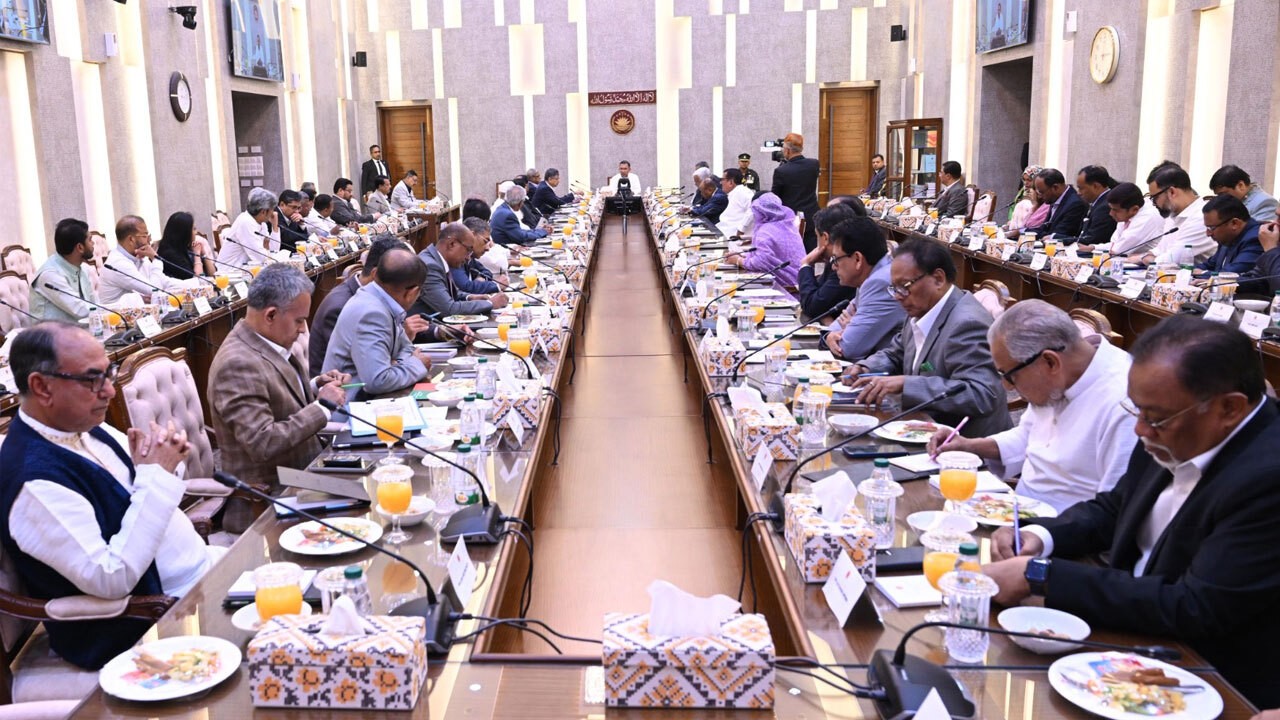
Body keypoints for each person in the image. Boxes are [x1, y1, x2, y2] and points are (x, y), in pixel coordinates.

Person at [982, 315, 1280, 709]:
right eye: (1136, 410)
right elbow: (1116, 507)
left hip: (1206, 678)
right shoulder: (1172, 421)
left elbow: (1196, 606)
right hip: (1128, 631)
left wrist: (1042, 576)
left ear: (1229, 408)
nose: (1139, 429)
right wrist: (1042, 535)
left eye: (1154, 417)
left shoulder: (1267, 477)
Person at [0, 322, 223, 669]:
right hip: (150, 618)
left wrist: (164, 459)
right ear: (42, 387)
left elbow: (149, 484)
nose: (109, 391)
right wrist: (157, 475)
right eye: (93, 379)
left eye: (110, 373)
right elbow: (111, 577)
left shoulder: (81, 426)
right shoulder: (33, 482)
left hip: (201, 573)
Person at [924, 300, 1137, 512]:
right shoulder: (1058, 376)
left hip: (1065, 526)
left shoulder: (1125, 402)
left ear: (1050, 362)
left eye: (1010, 376)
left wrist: (1037, 530)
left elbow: (1113, 510)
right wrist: (970, 445)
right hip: (1017, 510)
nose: (1007, 387)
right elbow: (1029, 435)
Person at [843, 239, 1012, 438]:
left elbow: (981, 394)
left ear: (938, 279)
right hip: (924, 428)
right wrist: (866, 367)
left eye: (904, 286)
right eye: (894, 288)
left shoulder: (966, 324)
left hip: (966, 443)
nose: (898, 296)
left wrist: (907, 385)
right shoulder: (922, 307)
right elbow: (897, 352)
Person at [209, 264, 347, 496]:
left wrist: (315, 386)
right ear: (271, 315)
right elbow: (263, 443)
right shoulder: (237, 364)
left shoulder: (265, 340)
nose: (303, 330)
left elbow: (274, 395)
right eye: (299, 321)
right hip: (275, 493)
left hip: (307, 472)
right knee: (372, 497)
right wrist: (322, 407)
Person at [324, 246, 434, 400]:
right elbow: (378, 380)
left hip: (379, 398)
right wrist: (416, 364)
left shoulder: (381, 300)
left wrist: (397, 363)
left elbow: (407, 348)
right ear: (412, 293)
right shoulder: (371, 313)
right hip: (351, 405)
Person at [309, 237, 409, 377]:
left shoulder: (376, 298)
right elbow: (367, 363)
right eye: (398, 281)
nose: (401, 289)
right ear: (376, 275)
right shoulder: (341, 306)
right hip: (343, 385)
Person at [820, 217, 906, 361]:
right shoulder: (871, 276)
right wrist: (829, 336)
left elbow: (847, 348)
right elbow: (835, 327)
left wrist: (849, 328)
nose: (833, 267)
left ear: (858, 259)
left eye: (835, 259)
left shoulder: (880, 282)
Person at [411, 221, 507, 318]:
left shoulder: (438, 259)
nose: (468, 257)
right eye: (468, 250)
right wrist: (490, 303)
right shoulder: (430, 266)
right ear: (452, 244)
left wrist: (470, 297)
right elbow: (449, 309)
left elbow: (449, 293)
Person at [725, 193, 805, 294]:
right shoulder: (787, 224)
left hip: (782, 287)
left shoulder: (765, 231)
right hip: (798, 281)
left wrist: (738, 260)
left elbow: (760, 262)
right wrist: (744, 256)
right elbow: (769, 255)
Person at [29, 218, 100, 323]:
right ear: (80, 247)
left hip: (79, 328)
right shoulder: (50, 275)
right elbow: (79, 310)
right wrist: (110, 311)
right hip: (51, 332)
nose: (93, 243)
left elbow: (93, 302)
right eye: (90, 239)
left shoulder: (83, 268)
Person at [99, 215, 182, 304]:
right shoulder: (118, 263)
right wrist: (156, 259)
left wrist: (191, 283)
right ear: (131, 239)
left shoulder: (138, 256)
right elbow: (154, 291)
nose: (149, 240)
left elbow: (163, 281)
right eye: (145, 236)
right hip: (114, 312)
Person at [1140, 164, 1213, 265]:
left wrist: (1150, 259)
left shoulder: (1201, 217)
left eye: (1155, 198)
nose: (1153, 203)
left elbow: (1172, 260)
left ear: (1172, 192)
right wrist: (1148, 256)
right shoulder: (1173, 215)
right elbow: (1159, 250)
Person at [797, 203, 859, 319]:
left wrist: (805, 265)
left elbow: (812, 306)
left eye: (817, 236)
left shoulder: (845, 263)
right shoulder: (835, 260)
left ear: (825, 237)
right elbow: (816, 300)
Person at [770, 133, 821, 251]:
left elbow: (775, 197)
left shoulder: (781, 171)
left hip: (791, 219)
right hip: (811, 215)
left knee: (793, 253)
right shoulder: (814, 164)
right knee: (810, 252)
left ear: (787, 150)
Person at [1092, 182, 1165, 256]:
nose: (1111, 213)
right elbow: (1114, 244)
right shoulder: (1127, 214)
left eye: (1115, 210)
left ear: (1134, 209)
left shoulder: (1148, 217)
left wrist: (1099, 248)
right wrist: (1093, 247)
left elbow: (1118, 250)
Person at [1196, 193, 1263, 274]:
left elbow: (1230, 275)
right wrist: (1188, 271)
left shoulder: (1255, 239)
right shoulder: (1228, 238)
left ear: (1235, 223)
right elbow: (1209, 265)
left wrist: (1202, 273)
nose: (1208, 234)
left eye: (1211, 228)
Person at [219, 187, 279, 273]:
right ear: (263, 212)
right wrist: (272, 255)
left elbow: (274, 250)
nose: (273, 213)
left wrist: (275, 226)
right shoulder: (245, 222)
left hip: (247, 271)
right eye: (272, 209)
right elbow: (261, 257)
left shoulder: (261, 223)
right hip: (230, 272)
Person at [1023, 168, 1087, 242]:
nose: (1039, 196)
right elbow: (1044, 228)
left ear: (1055, 188)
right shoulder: (1054, 198)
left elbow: (1057, 234)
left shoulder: (1075, 204)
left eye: (1041, 192)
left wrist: (1029, 233)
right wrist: (1022, 231)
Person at [1209, 164, 1279, 223]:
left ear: (1241, 185)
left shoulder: (1265, 202)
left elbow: (1258, 233)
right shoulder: (1237, 201)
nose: (1221, 198)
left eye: (1223, 194)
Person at [156, 211, 216, 280]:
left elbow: (213, 274)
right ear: (184, 232)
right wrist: (197, 255)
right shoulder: (169, 254)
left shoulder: (187, 247)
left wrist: (203, 254)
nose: (196, 232)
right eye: (194, 229)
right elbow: (197, 280)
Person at [452, 217, 503, 295]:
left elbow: (487, 272)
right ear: (471, 235)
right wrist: (497, 286)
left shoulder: (470, 256)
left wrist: (481, 278)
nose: (487, 248)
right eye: (485, 241)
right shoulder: (456, 256)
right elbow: (466, 287)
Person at [1073, 165, 1118, 247]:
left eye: (1081, 188)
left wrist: (1060, 240)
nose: (1078, 193)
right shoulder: (1098, 202)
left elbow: (1093, 239)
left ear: (1095, 186)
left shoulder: (1105, 207)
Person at [716, 168, 755, 238]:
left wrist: (741, 229)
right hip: (724, 232)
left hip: (734, 237)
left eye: (722, 179)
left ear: (731, 182)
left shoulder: (743, 192)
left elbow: (753, 209)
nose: (721, 182)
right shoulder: (734, 193)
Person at [1005, 165, 1043, 232]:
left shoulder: (1042, 194)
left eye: (1029, 180)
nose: (1025, 183)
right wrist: (1011, 221)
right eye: (1024, 180)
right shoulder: (1022, 192)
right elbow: (1013, 209)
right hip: (1017, 229)